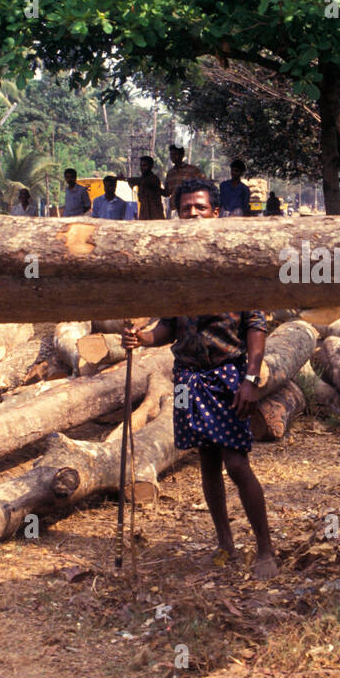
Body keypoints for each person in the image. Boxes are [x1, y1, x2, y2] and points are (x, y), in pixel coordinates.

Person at [121, 178, 278, 580]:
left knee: (236, 464)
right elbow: (169, 328)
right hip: (189, 380)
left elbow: (255, 328)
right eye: (186, 208)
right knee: (207, 463)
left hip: (228, 377)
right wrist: (142, 338)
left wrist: (250, 378)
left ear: (217, 213)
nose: (192, 214)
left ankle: (265, 550)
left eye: (200, 207)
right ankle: (225, 544)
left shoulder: (237, 266)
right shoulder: (177, 274)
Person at [162, 144, 204, 215]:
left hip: (189, 209)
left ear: (182, 155)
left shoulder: (192, 170)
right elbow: (167, 193)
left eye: (175, 154)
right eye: (171, 154)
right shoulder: (170, 173)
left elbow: (203, 187)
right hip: (174, 208)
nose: (173, 157)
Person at [133, 155, 165, 220]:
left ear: (151, 166)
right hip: (144, 214)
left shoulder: (153, 179)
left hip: (155, 214)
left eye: (145, 165)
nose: (142, 168)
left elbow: (147, 182)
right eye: (141, 165)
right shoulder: (142, 180)